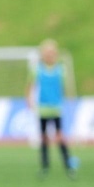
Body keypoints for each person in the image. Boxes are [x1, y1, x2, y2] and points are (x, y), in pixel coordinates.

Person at [28, 38, 77, 178]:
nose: (50, 56)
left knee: (60, 137)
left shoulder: (60, 70)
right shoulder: (37, 70)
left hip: (56, 108)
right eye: (47, 53)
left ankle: (68, 165)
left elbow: (67, 87)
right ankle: (44, 166)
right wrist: (29, 100)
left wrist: (70, 98)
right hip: (43, 109)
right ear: (43, 54)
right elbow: (29, 86)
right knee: (44, 138)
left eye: (52, 53)